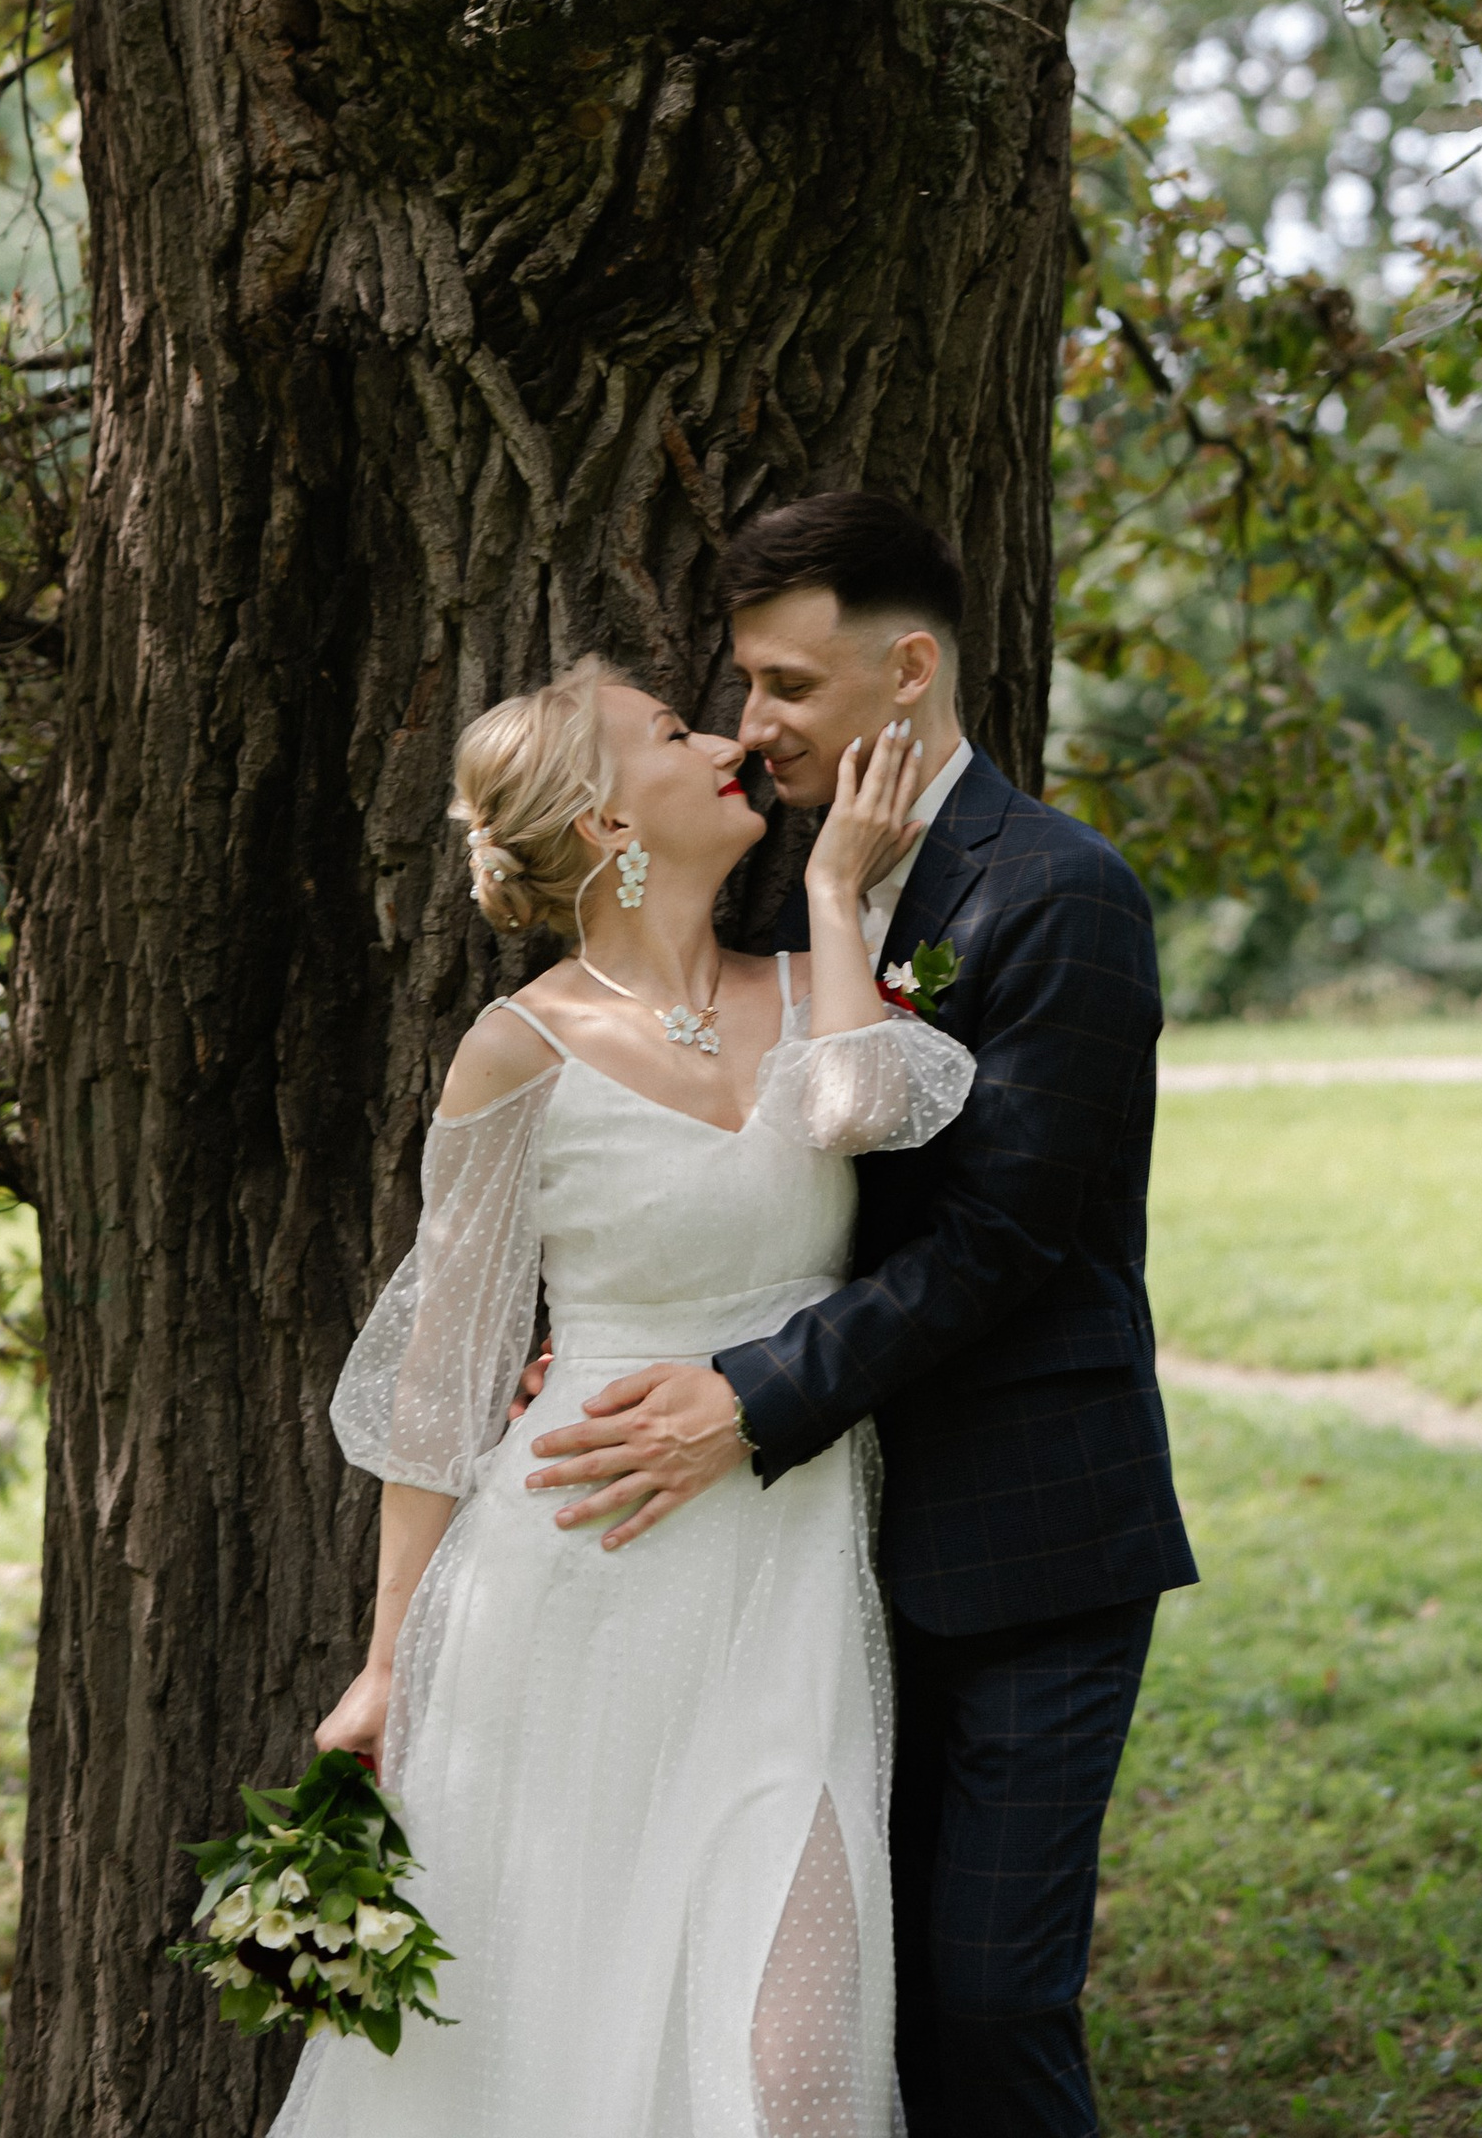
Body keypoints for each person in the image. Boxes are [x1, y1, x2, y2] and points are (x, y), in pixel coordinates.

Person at [526, 492, 1196, 2137]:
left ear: (908, 671)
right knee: (827, 2021)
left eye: (787, 688)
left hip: (1024, 1543)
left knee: (987, 2005)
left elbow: (997, 1245)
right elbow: (703, 1141)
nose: (752, 730)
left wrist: (743, 1391)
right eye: (741, 688)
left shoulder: (1061, 895)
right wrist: (606, 1328)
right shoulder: (767, 895)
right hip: (800, 1573)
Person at [279, 658, 970, 2137]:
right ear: (606, 818)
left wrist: (842, 888)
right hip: (568, 1585)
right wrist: (391, 1660)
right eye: (674, 731)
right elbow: (445, 1378)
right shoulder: (515, 1048)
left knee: (796, 2071)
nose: (728, 740)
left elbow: (860, 1107)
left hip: (782, 1587)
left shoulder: (812, 978)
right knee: (553, 2042)